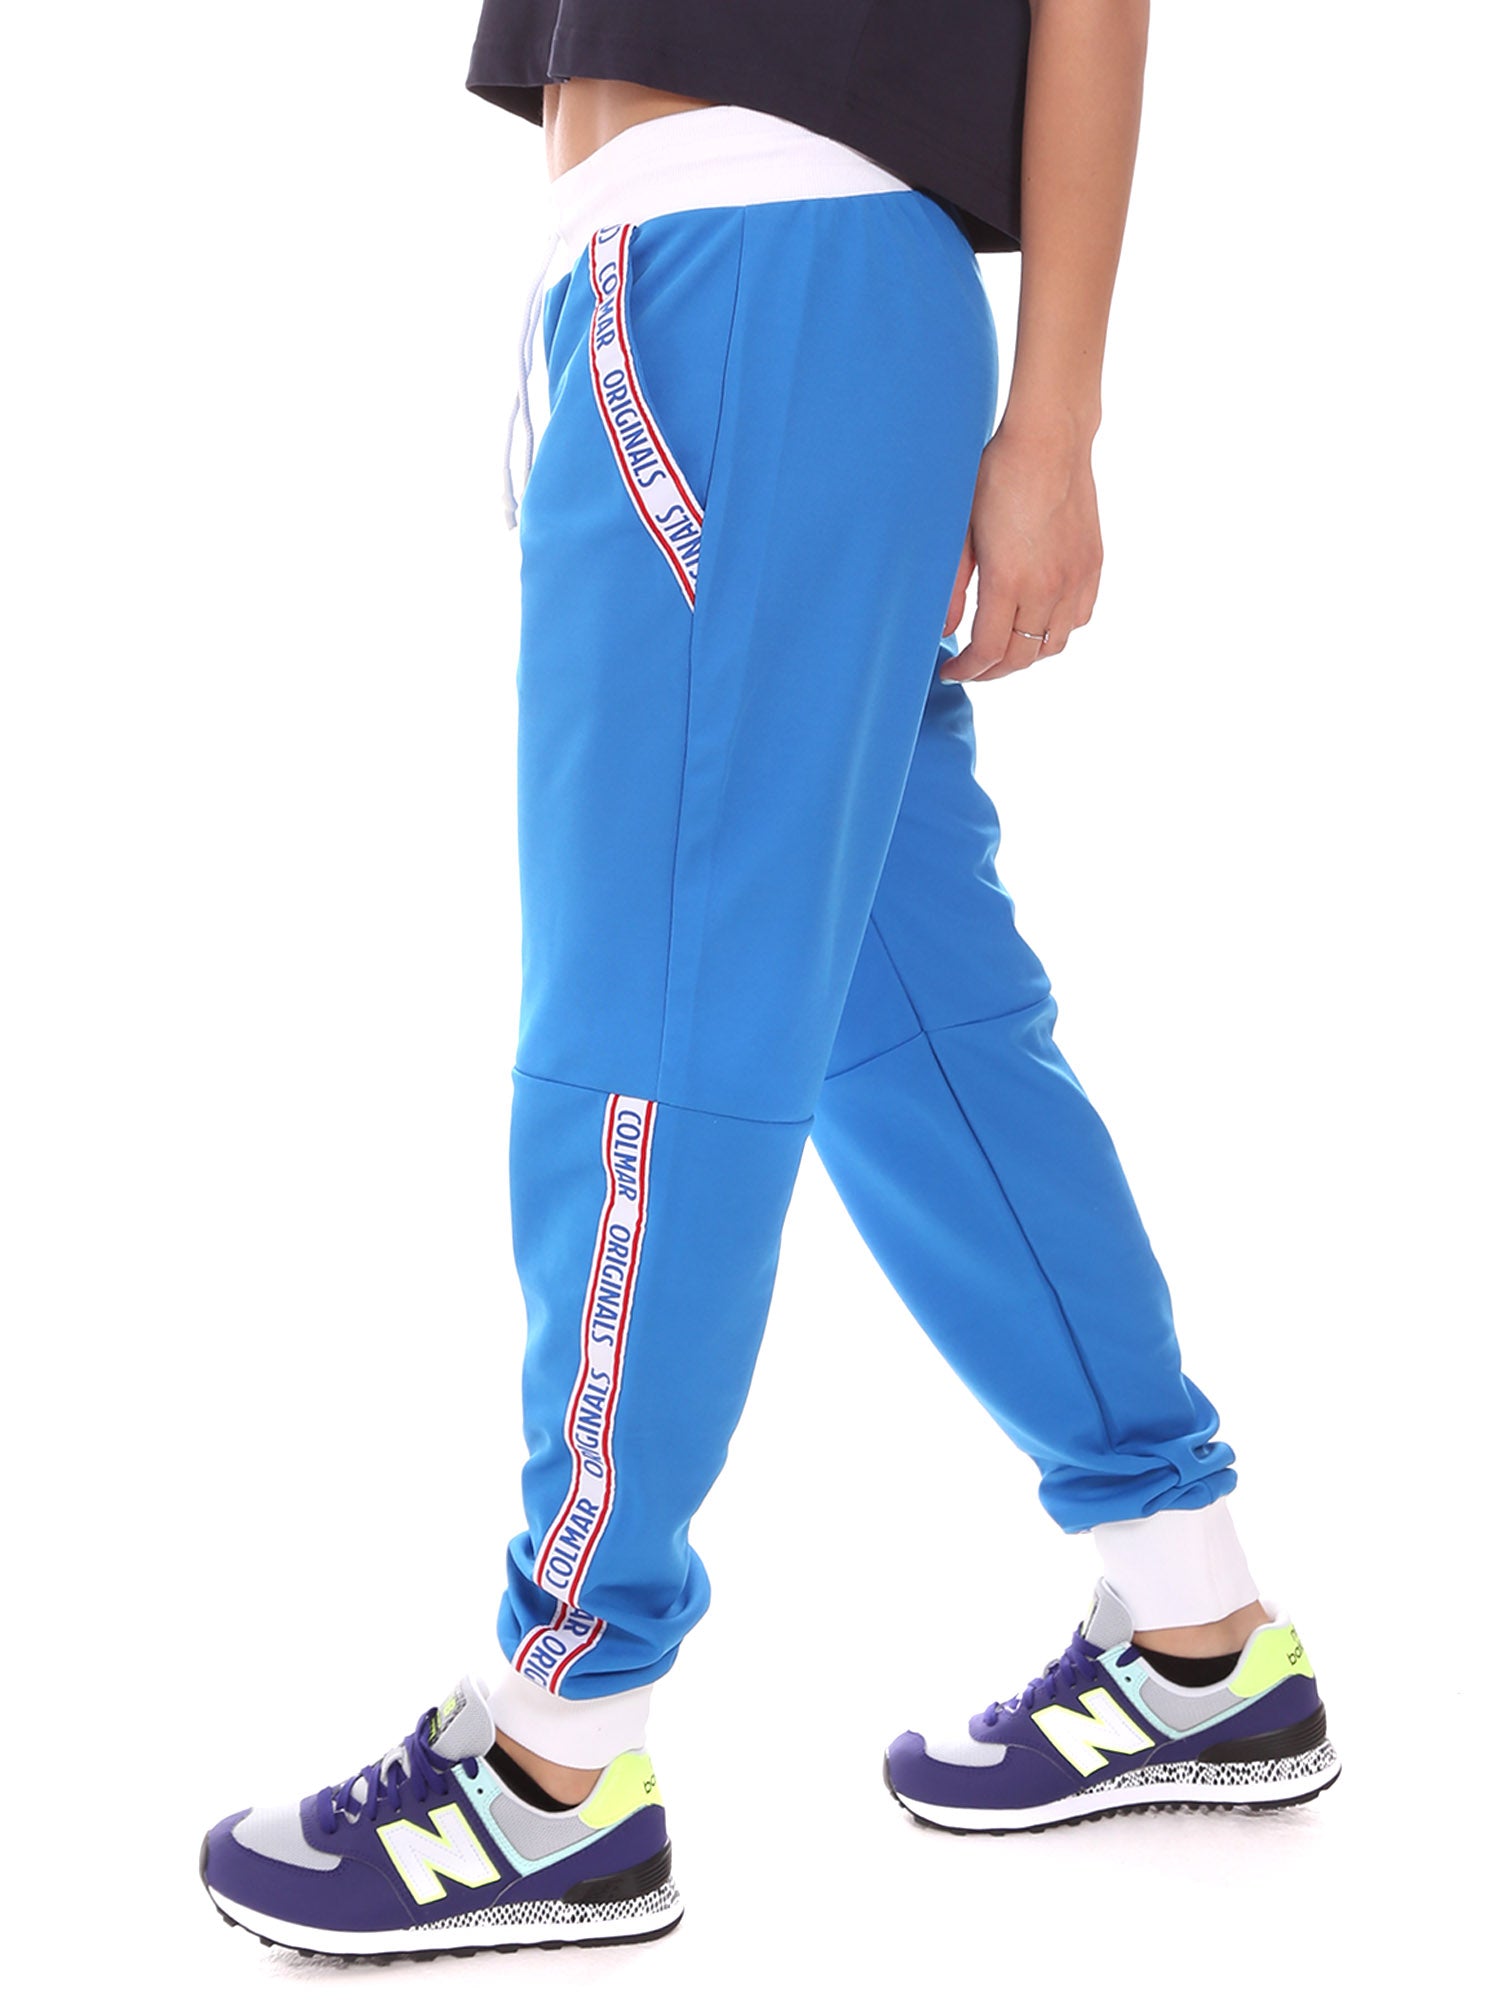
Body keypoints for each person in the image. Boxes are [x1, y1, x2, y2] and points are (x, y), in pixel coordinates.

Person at [199, 0, 1339, 1962]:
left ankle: (552, 1760)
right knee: (917, 1032)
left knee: (651, 1021)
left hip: (739, 284)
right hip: (766, 291)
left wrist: (1060, 419)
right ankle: (1193, 1621)